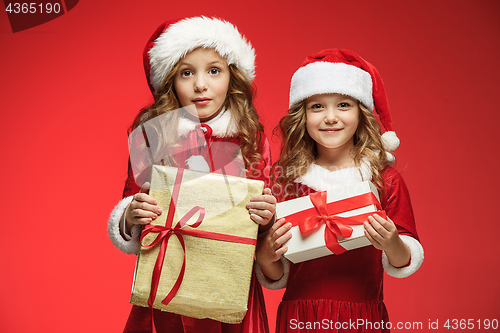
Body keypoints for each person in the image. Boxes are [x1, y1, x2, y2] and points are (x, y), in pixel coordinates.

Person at [108, 16, 276, 333]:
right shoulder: (151, 136)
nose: (200, 84)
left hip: (231, 288)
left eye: (214, 70)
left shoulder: (252, 139)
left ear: (232, 76)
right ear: (170, 81)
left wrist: (267, 216)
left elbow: (260, 227)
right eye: (187, 72)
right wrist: (131, 213)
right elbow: (130, 204)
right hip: (168, 281)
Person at [255, 49, 424, 332]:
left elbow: (404, 260)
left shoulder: (385, 180)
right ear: (302, 116)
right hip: (300, 318)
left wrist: (391, 241)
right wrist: (266, 256)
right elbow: (277, 274)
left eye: (343, 105)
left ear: (362, 113)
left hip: (362, 319)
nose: (330, 117)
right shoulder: (287, 182)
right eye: (317, 106)